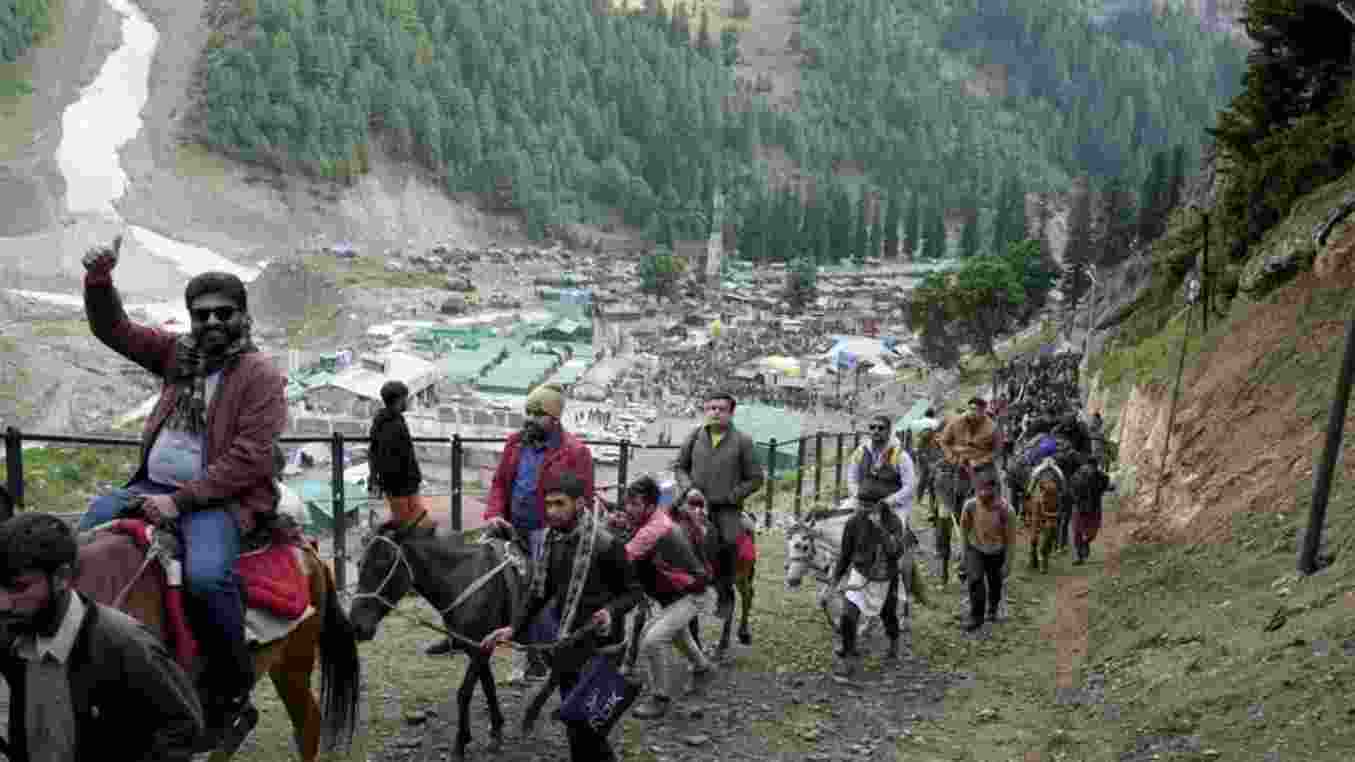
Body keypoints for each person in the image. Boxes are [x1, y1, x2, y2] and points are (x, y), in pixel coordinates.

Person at [77, 236, 285, 743]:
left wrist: (180, 499)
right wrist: (99, 281)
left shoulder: (260, 375)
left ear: (244, 317)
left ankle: (231, 695)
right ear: (191, 319)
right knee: (85, 541)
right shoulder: (178, 354)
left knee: (209, 579)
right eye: (202, 315)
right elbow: (115, 330)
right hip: (151, 485)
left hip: (220, 499)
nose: (212, 323)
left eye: (224, 314)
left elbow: (249, 458)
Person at [0, 512, 205, 761]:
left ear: (62, 578)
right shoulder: (11, 631)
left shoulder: (125, 645)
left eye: (19, 588)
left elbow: (183, 729)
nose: (3, 603)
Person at [429, 384, 594, 679]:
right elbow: (499, 485)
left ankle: (536, 654)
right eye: (527, 412)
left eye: (538, 414)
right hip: (508, 525)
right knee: (472, 567)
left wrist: (562, 530)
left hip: (548, 529)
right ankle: (459, 633)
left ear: (555, 419)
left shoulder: (576, 452)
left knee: (537, 587)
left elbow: (584, 499)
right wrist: (493, 515)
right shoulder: (515, 444)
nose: (529, 419)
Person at [480, 473, 642, 762]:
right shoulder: (553, 541)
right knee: (575, 723)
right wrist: (512, 629)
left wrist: (610, 612)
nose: (552, 511)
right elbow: (538, 595)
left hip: (601, 650)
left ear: (580, 503)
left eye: (560, 503)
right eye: (548, 504)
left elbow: (632, 594)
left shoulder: (607, 545)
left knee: (589, 727)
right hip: (568, 647)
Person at [621, 477, 715, 720]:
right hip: (678, 594)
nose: (628, 508)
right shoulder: (653, 520)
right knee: (675, 633)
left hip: (692, 593)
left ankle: (660, 698)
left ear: (651, 506)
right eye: (627, 503)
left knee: (652, 639)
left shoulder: (655, 529)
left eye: (634, 504)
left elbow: (621, 559)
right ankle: (703, 668)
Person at [673, 392, 764, 620]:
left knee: (730, 541)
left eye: (721, 409)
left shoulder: (743, 442)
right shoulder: (694, 436)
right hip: (693, 503)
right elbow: (680, 467)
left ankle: (725, 594)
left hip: (726, 508)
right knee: (668, 531)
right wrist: (688, 488)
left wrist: (732, 496)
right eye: (711, 408)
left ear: (731, 413)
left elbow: (756, 479)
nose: (715, 412)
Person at [831, 489, 908, 676]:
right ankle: (848, 659)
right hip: (860, 575)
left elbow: (895, 551)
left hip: (885, 577)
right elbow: (845, 554)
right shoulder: (853, 523)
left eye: (868, 506)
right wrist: (835, 579)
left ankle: (894, 643)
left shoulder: (894, 522)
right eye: (861, 505)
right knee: (848, 617)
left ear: (880, 505)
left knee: (888, 615)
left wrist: (879, 528)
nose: (863, 509)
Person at [957, 470, 1016, 633]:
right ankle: (976, 616)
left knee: (995, 582)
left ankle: (993, 606)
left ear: (996, 490)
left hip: (997, 551)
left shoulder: (1007, 511)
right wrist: (964, 554)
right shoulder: (970, 506)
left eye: (988, 491)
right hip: (976, 548)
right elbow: (963, 530)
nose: (983, 494)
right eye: (980, 490)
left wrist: (1008, 563)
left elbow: (1011, 540)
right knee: (975, 580)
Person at [368, 380, 426, 525]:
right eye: (406, 398)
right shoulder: (391, 424)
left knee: (417, 521)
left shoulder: (390, 420)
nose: (408, 401)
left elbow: (374, 452)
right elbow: (387, 458)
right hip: (399, 485)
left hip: (404, 484)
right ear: (399, 400)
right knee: (406, 525)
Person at [1071, 460, 1112, 564]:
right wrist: (1075, 499)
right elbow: (1072, 488)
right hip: (1080, 507)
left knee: (1093, 531)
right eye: (1088, 467)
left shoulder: (1102, 476)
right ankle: (1079, 556)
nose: (1090, 469)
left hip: (1094, 507)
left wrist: (1107, 488)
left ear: (1095, 467)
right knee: (1077, 531)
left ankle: (1085, 543)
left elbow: (1105, 486)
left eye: (1092, 467)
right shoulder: (1077, 475)